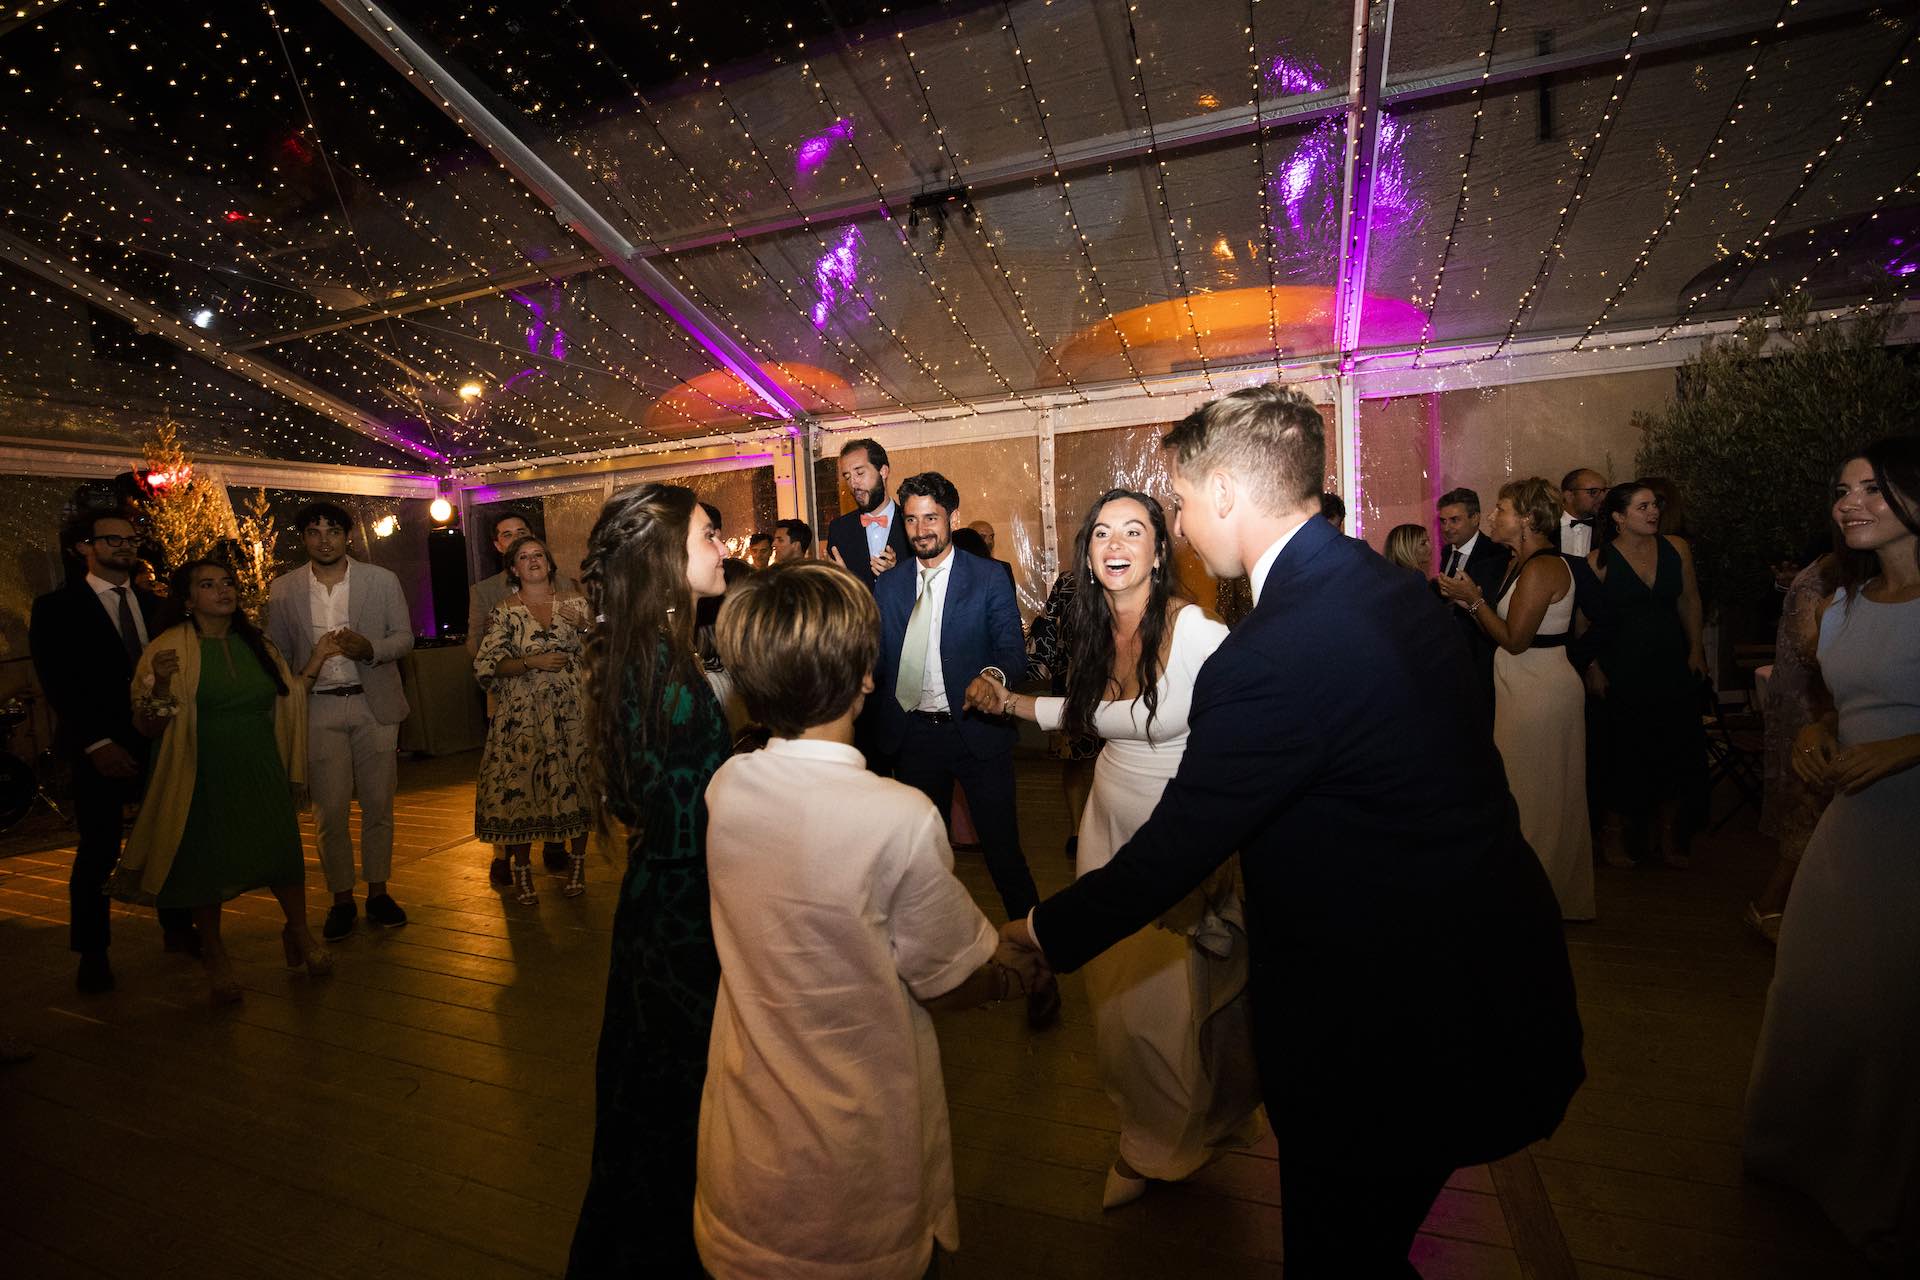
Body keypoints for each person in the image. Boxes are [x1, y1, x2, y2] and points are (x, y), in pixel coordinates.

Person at [997, 384, 1583, 1277]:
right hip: (1487, 970)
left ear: (1226, 492)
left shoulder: (1271, 653)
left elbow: (1175, 849)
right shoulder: (1394, 589)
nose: (1184, 528)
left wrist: (1038, 935)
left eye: (1183, 504)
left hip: (1389, 1027)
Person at [695, 561, 1028, 1279]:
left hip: (743, 1149)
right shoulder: (896, 817)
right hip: (851, 1166)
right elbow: (948, 978)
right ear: (865, 679)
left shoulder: (727, 787)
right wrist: (1015, 976)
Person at [972, 486, 1264, 1210]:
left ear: (1160, 551)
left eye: (1135, 531)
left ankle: (1161, 1146)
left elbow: (1241, 750)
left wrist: (1223, 847)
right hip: (1107, 815)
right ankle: (1147, 1127)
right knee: (1114, 996)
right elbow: (1094, 716)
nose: (1116, 544)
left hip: (1176, 830)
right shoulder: (1093, 625)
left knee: (1171, 1001)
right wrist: (1007, 701)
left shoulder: (1197, 634)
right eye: (1102, 532)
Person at [1746, 438, 1920, 1267]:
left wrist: (1909, 746)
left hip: (1913, 823)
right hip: (1853, 822)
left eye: (1873, 489)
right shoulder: (1844, 604)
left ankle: (1880, 1186)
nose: (1851, 503)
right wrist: (1820, 732)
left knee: (1893, 1010)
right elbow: (1834, 700)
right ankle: (1799, 1154)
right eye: (1842, 490)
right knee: (1818, 985)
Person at [567, 484, 733, 1277]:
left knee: (659, 1099)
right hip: (678, 916)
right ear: (666, 557)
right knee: (673, 1100)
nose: (723, 548)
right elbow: (671, 814)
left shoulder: (656, 648)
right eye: (710, 534)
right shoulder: (661, 660)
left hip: (665, 899)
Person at [871, 471, 1056, 1029]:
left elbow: (1011, 650)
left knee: (1005, 857)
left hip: (976, 732)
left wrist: (992, 676)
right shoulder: (890, 586)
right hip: (913, 737)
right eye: (911, 519)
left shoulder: (988, 577)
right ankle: (928, 978)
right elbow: (876, 661)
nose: (922, 529)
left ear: (951, 517)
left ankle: (1044, 973)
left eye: (931, 517)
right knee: (915, 865)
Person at [114, 560, 332, 1004]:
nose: (223, 590)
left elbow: (289, 697)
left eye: (228, 582)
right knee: (206, 865)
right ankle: (214, 951)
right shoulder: (168, 648)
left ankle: (297, 931)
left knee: (281, 852)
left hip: (260, 766)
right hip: (200, 770)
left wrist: (320, 657)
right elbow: (146, 728)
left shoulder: (258, 645)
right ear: (188, 600)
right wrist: (161, 688)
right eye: (208, 585)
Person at [29, 510, 197, 991]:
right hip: (97, 742)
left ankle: (179, 927)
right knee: (99, 849)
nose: (125, 546)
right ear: (83, 547)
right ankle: (93, 952)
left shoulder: (154, 605)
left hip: (160, 737)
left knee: (173, 834)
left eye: (131, 539)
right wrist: (96, 743)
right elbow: (58, 682)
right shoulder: (57, 607)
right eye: (112, 539)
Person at [1437, 479, 1595, 920]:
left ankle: (1538, 897)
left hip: (1540, 688)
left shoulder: (1544, 567)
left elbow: (1515, 638)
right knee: (1522, 790)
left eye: (1501, 509)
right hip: (1520, 684)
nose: (1492, 517)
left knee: (1536, 793)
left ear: (1526, 519)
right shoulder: (1516, 562)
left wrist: (1472, 600)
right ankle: (1527, 892)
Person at [266, 502, 414, 941]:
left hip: (375, 704)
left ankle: (379, 892)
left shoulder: (380, 580)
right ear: (304, 539)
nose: (324, 539)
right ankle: (341, 899)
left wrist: (369, 648)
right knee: (328, 811)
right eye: (314, 531)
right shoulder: (284, 589)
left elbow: (404, 637)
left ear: (347, 536)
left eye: (333, 530)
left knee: (378, 805)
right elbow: (275, 652)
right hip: (319, 707)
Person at [1586, 481, 1707, 867]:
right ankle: (1614, 836)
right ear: (1619, 518)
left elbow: (1690, 600)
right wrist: (1593, 667)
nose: (1653, 512)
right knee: (1622, 751)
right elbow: (1583, 622)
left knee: (1675, 746)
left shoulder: (1677, 549)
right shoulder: (1599, 561)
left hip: (1670, 661)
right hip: (1622, 666)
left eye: (1654, 505)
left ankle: (1669, 837)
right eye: (1642, 507)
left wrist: (1696, 649)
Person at [472, 536, 594, 902]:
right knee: (522, 787)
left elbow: (604, 652)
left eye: (538, 554)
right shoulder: (505, 611)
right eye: (523, 557)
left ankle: (577, 865)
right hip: (522, 717)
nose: (533, 561)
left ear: (550, 562)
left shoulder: (574, 603)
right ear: (514, 569)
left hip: (572, 712)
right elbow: (486, 666)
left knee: (577, 781)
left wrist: (585, 627)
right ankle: (523, 872)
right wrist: (531, 662)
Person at [1746, 554, 1837, 943]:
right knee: (1810, 808)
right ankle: (1772, 904)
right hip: (1813, 709)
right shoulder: (1821, 579)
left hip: (1833, 708)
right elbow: (1809, 651)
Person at [1436, 486, 1512, 708]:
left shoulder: (1496, 555)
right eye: (1442, 521)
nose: (1447, 528)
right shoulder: (1446, 552)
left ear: (1476, 518)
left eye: (1454, 520)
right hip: (1452, 658)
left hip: (1482, 659)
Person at [825, 437, 911, 587]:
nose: (853, 483)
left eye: (859, 473)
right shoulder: (839, 530)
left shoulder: (912, 523)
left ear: (883, 471)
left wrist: (897, 574)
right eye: (847, 476)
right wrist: (840, 582)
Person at [1558, 468, 1608, 558]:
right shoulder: (1548, 528)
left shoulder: (1609, 528)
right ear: (1569, 496)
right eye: (1593, 492)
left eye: (1604, 491)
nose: (1602, 497)